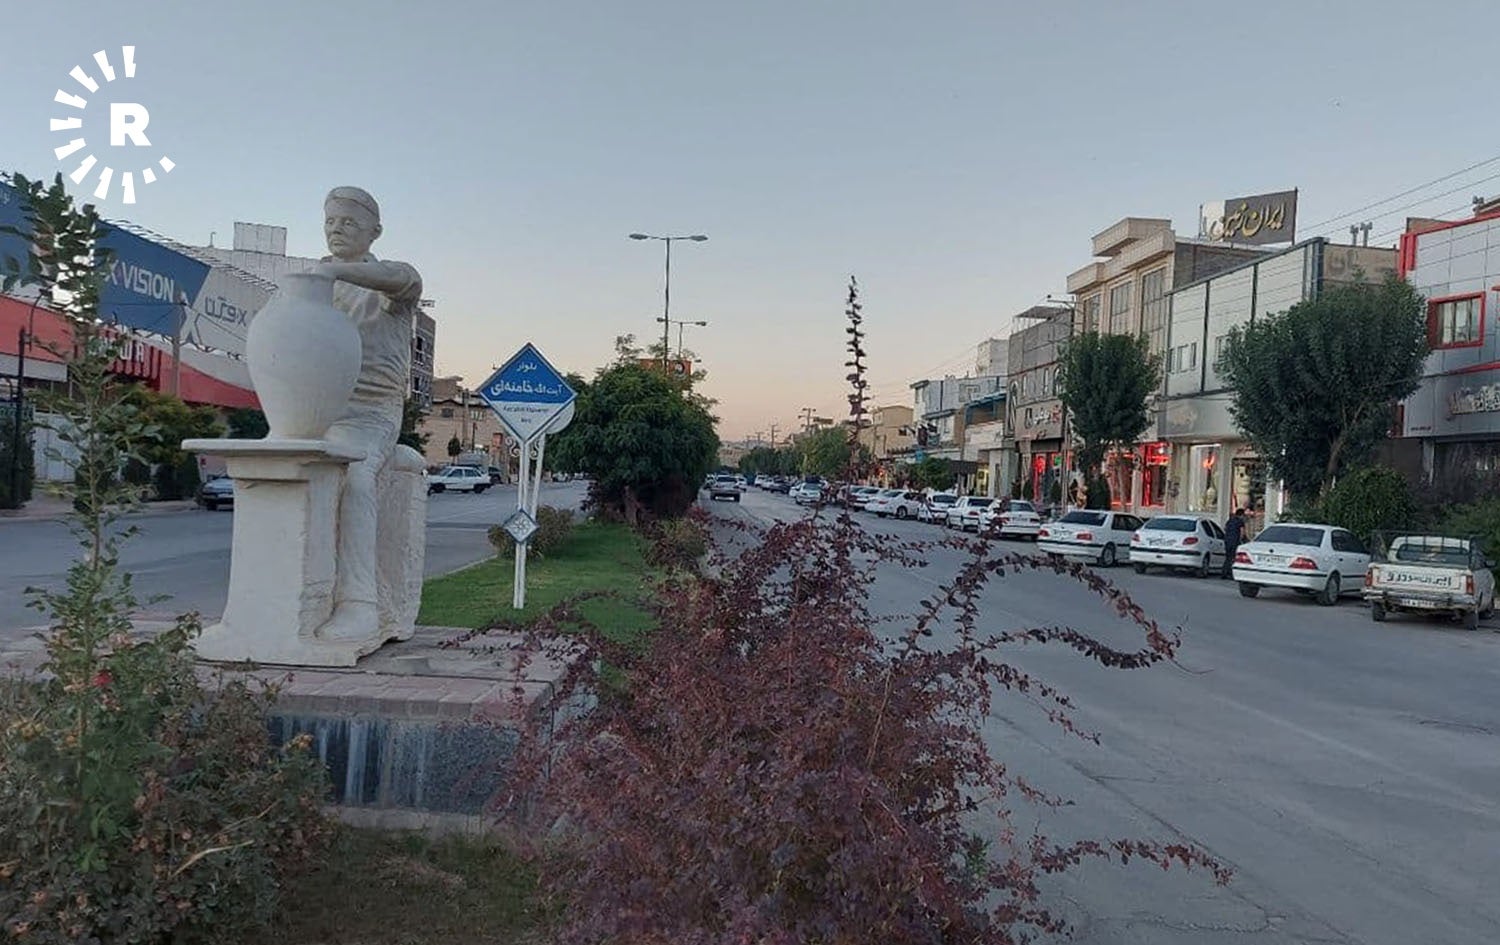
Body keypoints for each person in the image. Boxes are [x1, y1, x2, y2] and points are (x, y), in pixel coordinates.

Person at [311, 187, 423, 643]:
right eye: (331, 223)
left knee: (356, 478)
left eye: (349, 223)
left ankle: (360, 604)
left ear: (374, 231)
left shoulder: (394, 283)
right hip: (316, 409)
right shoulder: (314, 286)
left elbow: (404, 280)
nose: (337, 230)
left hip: (371, 412)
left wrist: (333, 273)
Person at [1222, 507, 1247, 578]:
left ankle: (1224, 573)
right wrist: (1242, 540)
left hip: (1227, 541)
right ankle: (1230, 573)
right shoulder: (1240, 522)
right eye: (1243, 515)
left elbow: (1225, 529)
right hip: (1235, 541)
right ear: (1241, 515)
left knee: (1227, 557)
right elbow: (1242, 532)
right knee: (1233, 558)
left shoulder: (1230, 521)